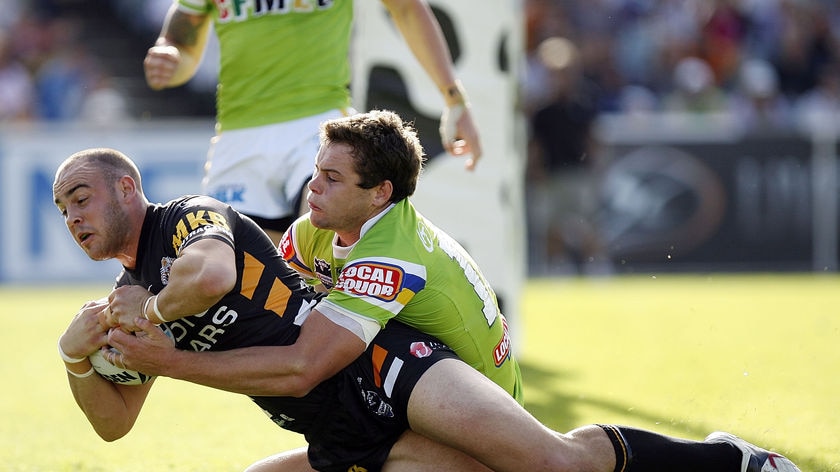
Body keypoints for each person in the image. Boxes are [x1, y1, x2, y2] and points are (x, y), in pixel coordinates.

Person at [54, 148, 801, 472]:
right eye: (61, 210)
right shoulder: (123, 304)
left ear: (127, 189)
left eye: (81, 197)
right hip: (335, 427)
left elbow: (214, 274)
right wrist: (77, 357)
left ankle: (729, 462)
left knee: (552, 464)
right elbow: (113, 424)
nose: (72, 217)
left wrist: (150, 324)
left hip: (383, 369)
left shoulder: (184, 220)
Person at [143, 0, 482, 245]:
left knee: (328, 238)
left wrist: (454, 98)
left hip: (318, 128)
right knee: (241, 281)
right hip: (238, 139)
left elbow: (407, 8)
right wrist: (169, 58)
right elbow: (179, 43)